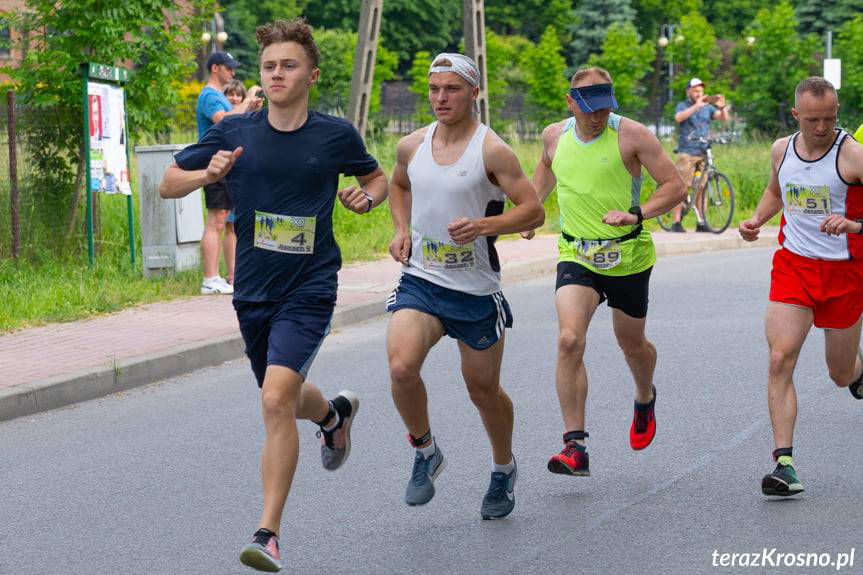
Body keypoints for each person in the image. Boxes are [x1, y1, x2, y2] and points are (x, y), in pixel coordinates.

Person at [159, 18, 388, 572]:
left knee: (272, 400)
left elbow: (377, 178)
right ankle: (333, 417)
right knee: (284, 394)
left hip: (310, 286)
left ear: (311, 73)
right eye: (269, 66)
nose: (277, 74)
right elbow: (167, 181)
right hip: (253, 290)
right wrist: (203, 175)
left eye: (288, 65)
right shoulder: (236, 131)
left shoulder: (336, 135)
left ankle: (268, 534)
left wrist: (368, 198)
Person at [386, 53, 543, 520]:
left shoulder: (492, 149)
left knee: (482, 389)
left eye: (451, 89)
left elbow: (533, 210)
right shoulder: (411, 145)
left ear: (474, 92)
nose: (441, 98)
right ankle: (426, 450)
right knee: (400, 368)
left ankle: (502, 468)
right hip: (422, 279)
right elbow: (399, 185)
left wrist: (482, 225)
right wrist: (400, 230)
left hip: (475, 290)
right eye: (434, 89)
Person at [524, 67, 686, 478]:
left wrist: (637, 213)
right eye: (590, 109)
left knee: (631, 345)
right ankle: (574, 446)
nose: (597, 117)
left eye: (604, 108)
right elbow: (546, 165)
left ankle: (645, 395)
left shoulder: (632, 135)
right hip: (576, 253)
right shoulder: (553, 136)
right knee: (568, 339)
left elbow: (674, 186)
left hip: (627, 254)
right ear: (570, 102)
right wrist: (533, 207)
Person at [739, 77, 863, 497]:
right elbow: (777, 190)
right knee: (779, 358)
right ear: (796, 116)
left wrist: (854, 224)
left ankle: (858, 372)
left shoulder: (853, 156)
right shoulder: (781, 149)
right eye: (813, 119)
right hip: (793, 267)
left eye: (831, 117)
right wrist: (757, 219)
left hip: (844, 274)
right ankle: (784, 464)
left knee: (840, 373)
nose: (823, 126)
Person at [196, 51, 263, 294]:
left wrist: (250, 108)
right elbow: (223, 121)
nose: (233, 72)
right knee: (216, 220)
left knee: (227, 221)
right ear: (215, 68)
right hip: (215, 164)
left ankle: (228, 277)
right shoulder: (210, 96)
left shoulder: (218, 96)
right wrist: (246, 101)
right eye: (228, 67)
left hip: (228, 165)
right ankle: (210, 278)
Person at [670, 77, 731, 232]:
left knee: (701, 187)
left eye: (701, 91)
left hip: (703, 151)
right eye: (696, 91)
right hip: (687, 152)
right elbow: (678, 118)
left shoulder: (707, 107)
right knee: (681, 187)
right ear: (688, 91)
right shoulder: (682, 105)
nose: (699, 93)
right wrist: (696, 106)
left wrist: (723, 107)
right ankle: (676, 222)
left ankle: (701, 222)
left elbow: (723, 119)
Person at [221, 79, 258, 283]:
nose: (234, 98)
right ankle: (233, 274)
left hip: (247, 178)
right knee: (230, 226)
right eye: (230, 94)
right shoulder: (227, 120)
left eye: (238, 95)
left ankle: (248, 270)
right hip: (228, 179)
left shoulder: (248, 119)